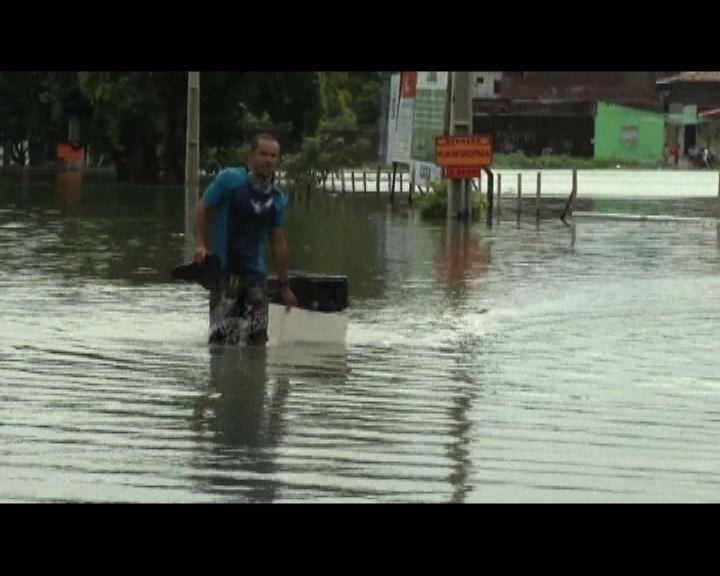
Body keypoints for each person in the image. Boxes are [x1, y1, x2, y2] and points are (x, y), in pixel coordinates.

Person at [193, 133, 297, 345]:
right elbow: (201, 209)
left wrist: (284, 286)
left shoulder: (276, 198)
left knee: (257, 340)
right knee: (221, 341)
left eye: (273, 156)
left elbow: (278, 243)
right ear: (250, 156)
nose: (268, 160)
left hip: (256, 276)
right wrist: (201, 245)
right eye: (263, 154)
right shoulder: (229, 180)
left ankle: (254, 378)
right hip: (224, 273)